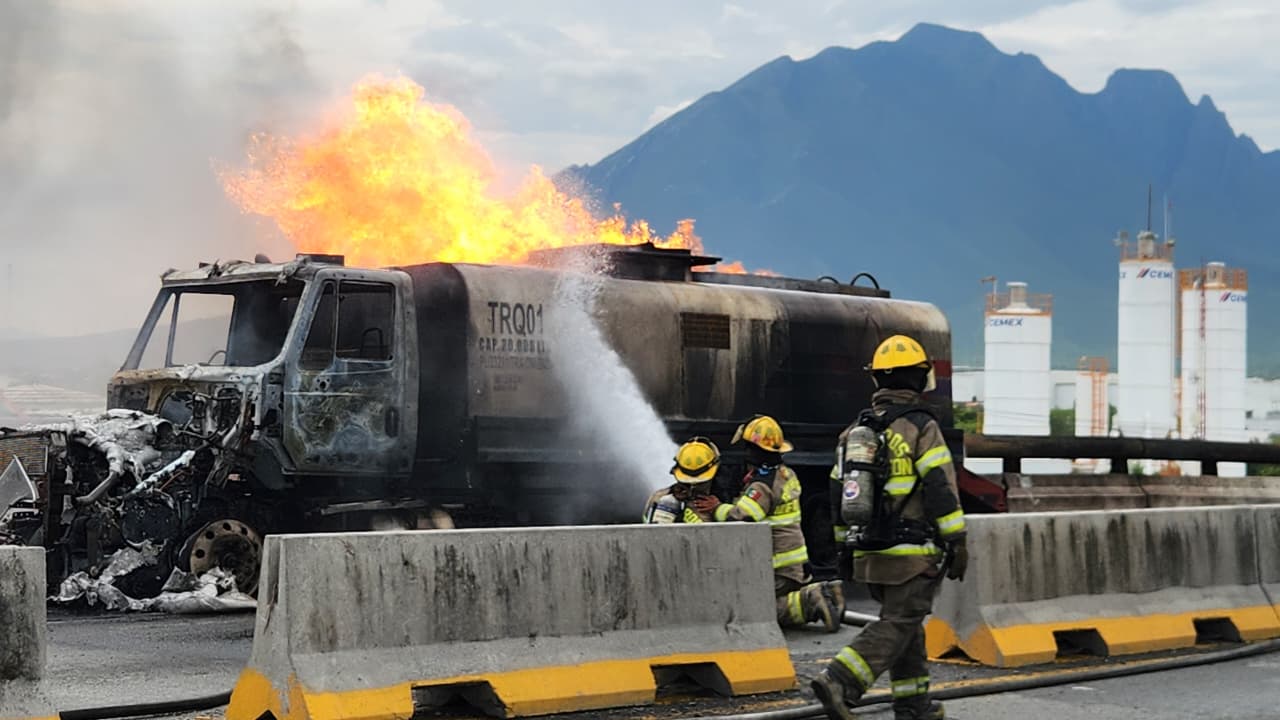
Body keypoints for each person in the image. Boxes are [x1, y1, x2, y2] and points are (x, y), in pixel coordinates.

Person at [811, 335, 968, 720]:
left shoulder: (853, 434)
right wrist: (957, 540)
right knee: (900, 622)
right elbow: (939, 486)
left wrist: (843, 552)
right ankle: (840, 681)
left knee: (907, 626)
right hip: (911, 553)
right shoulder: (921, 426)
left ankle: (913, 705)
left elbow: (837, 495)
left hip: (868, 551)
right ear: (919, 379)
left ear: (878, 380)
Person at [692, 415, 845, 632]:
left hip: (779, 569)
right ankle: (828, 592)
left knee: (747, 609)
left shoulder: (763, 485)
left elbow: (741, 516)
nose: (745, 453)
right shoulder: (785, 473)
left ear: (755, 450)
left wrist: (716, 507)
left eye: (748, 448)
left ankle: (810, 601)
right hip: (795, 565)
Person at [642, 437, 720, 524]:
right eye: (687, 482)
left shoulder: (728, 493)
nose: (693, 486)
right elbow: (649, 529)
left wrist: (718, 508)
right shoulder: (662, 498)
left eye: (700, 483)